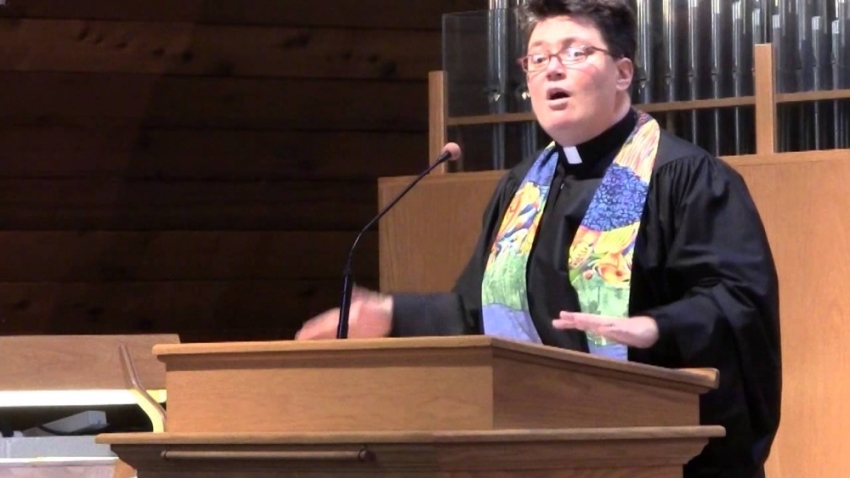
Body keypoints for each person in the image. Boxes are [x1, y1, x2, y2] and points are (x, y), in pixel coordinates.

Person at [296, 0, 781, 476]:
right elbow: (481, 313)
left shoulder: (681, 176)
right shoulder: (525, 186)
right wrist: (389, 313)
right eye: (539, 58)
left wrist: (655, 326)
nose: (552, 70)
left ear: (622, 73)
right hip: (544, 446)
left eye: (575, 53)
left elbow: (738, 298)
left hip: (662, 449)